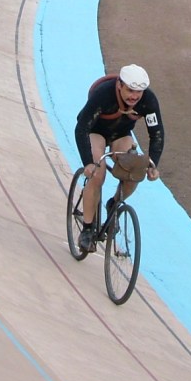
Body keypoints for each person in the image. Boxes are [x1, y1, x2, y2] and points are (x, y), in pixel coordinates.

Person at [74, 65, 164, 253]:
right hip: (95, 132)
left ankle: (114, 203)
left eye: (139, 92)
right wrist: (88, 163)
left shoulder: (148, 101)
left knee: (135, 170)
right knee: (97, 175)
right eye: (130, 90)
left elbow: (157, 134)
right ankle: (88, 229)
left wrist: (152, 164)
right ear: (119, 85)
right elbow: (81, 128)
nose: (134, 96)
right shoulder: (103, 95)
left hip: (121, 135)